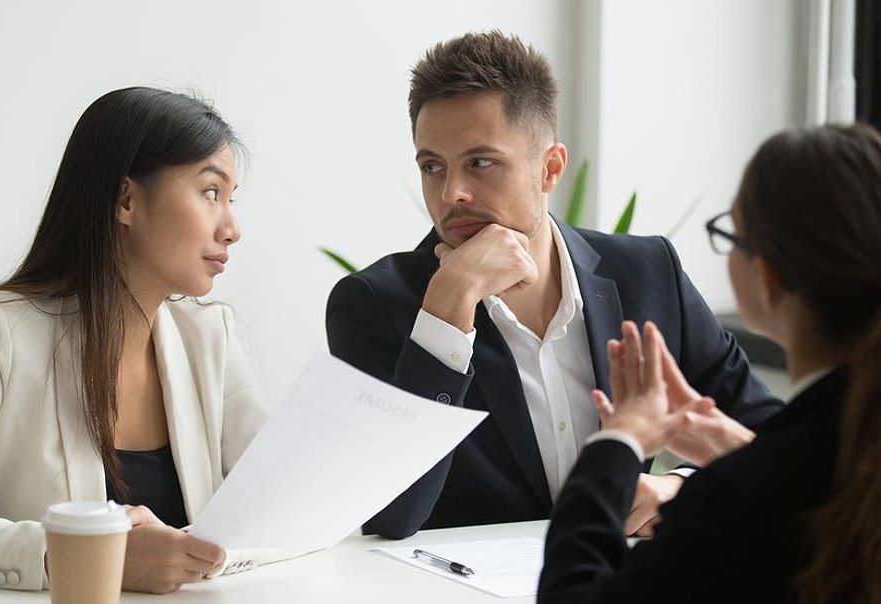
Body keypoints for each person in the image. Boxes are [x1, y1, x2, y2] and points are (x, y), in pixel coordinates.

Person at [325, 31, 781, 539]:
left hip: (617, 593)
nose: (452, 193)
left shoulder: (648, 273)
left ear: (550, 168)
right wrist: (446, 312)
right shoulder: (373, 305)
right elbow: (389, 515)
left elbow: (778, 435)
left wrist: (682, 485)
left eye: (481, 162)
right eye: (433, 166)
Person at [0, 87, 275, 593]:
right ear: (126, 200)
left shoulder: (210, 337)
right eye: (211, 192)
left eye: (231, 200)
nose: (231, 228)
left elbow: (284, 503)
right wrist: (90, 557)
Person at [532, 124, 881, 604]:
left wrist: (616, 446)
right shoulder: (846, 455)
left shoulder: (735, 503)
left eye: (730, 233)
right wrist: (747, 451)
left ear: (765, 278)